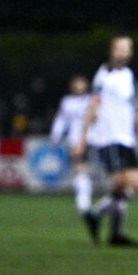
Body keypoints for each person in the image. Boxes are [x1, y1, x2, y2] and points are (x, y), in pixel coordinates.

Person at [73, 36, 138, 247]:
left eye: (128, 49)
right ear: (112, 51)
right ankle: (116, 234)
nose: (124, 53)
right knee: (120, 184)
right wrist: (82, 138)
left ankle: (96, 214)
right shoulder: (104, 75)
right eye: (120, 49)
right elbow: (92, 108)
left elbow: (128, 104)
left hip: (127, 138)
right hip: (109, 137)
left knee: (134, 185)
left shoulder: (128, 74)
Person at [49, 75, 94, 222]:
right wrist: (55, 135)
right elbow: (61, 120)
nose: (78, 87)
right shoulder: (67, 102)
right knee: (79, 170)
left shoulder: (91, 100)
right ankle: (83, 205)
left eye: (81, 84)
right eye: (76, 84)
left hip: (89, 138)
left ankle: (84, 205)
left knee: (81, 169)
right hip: (73, 140)